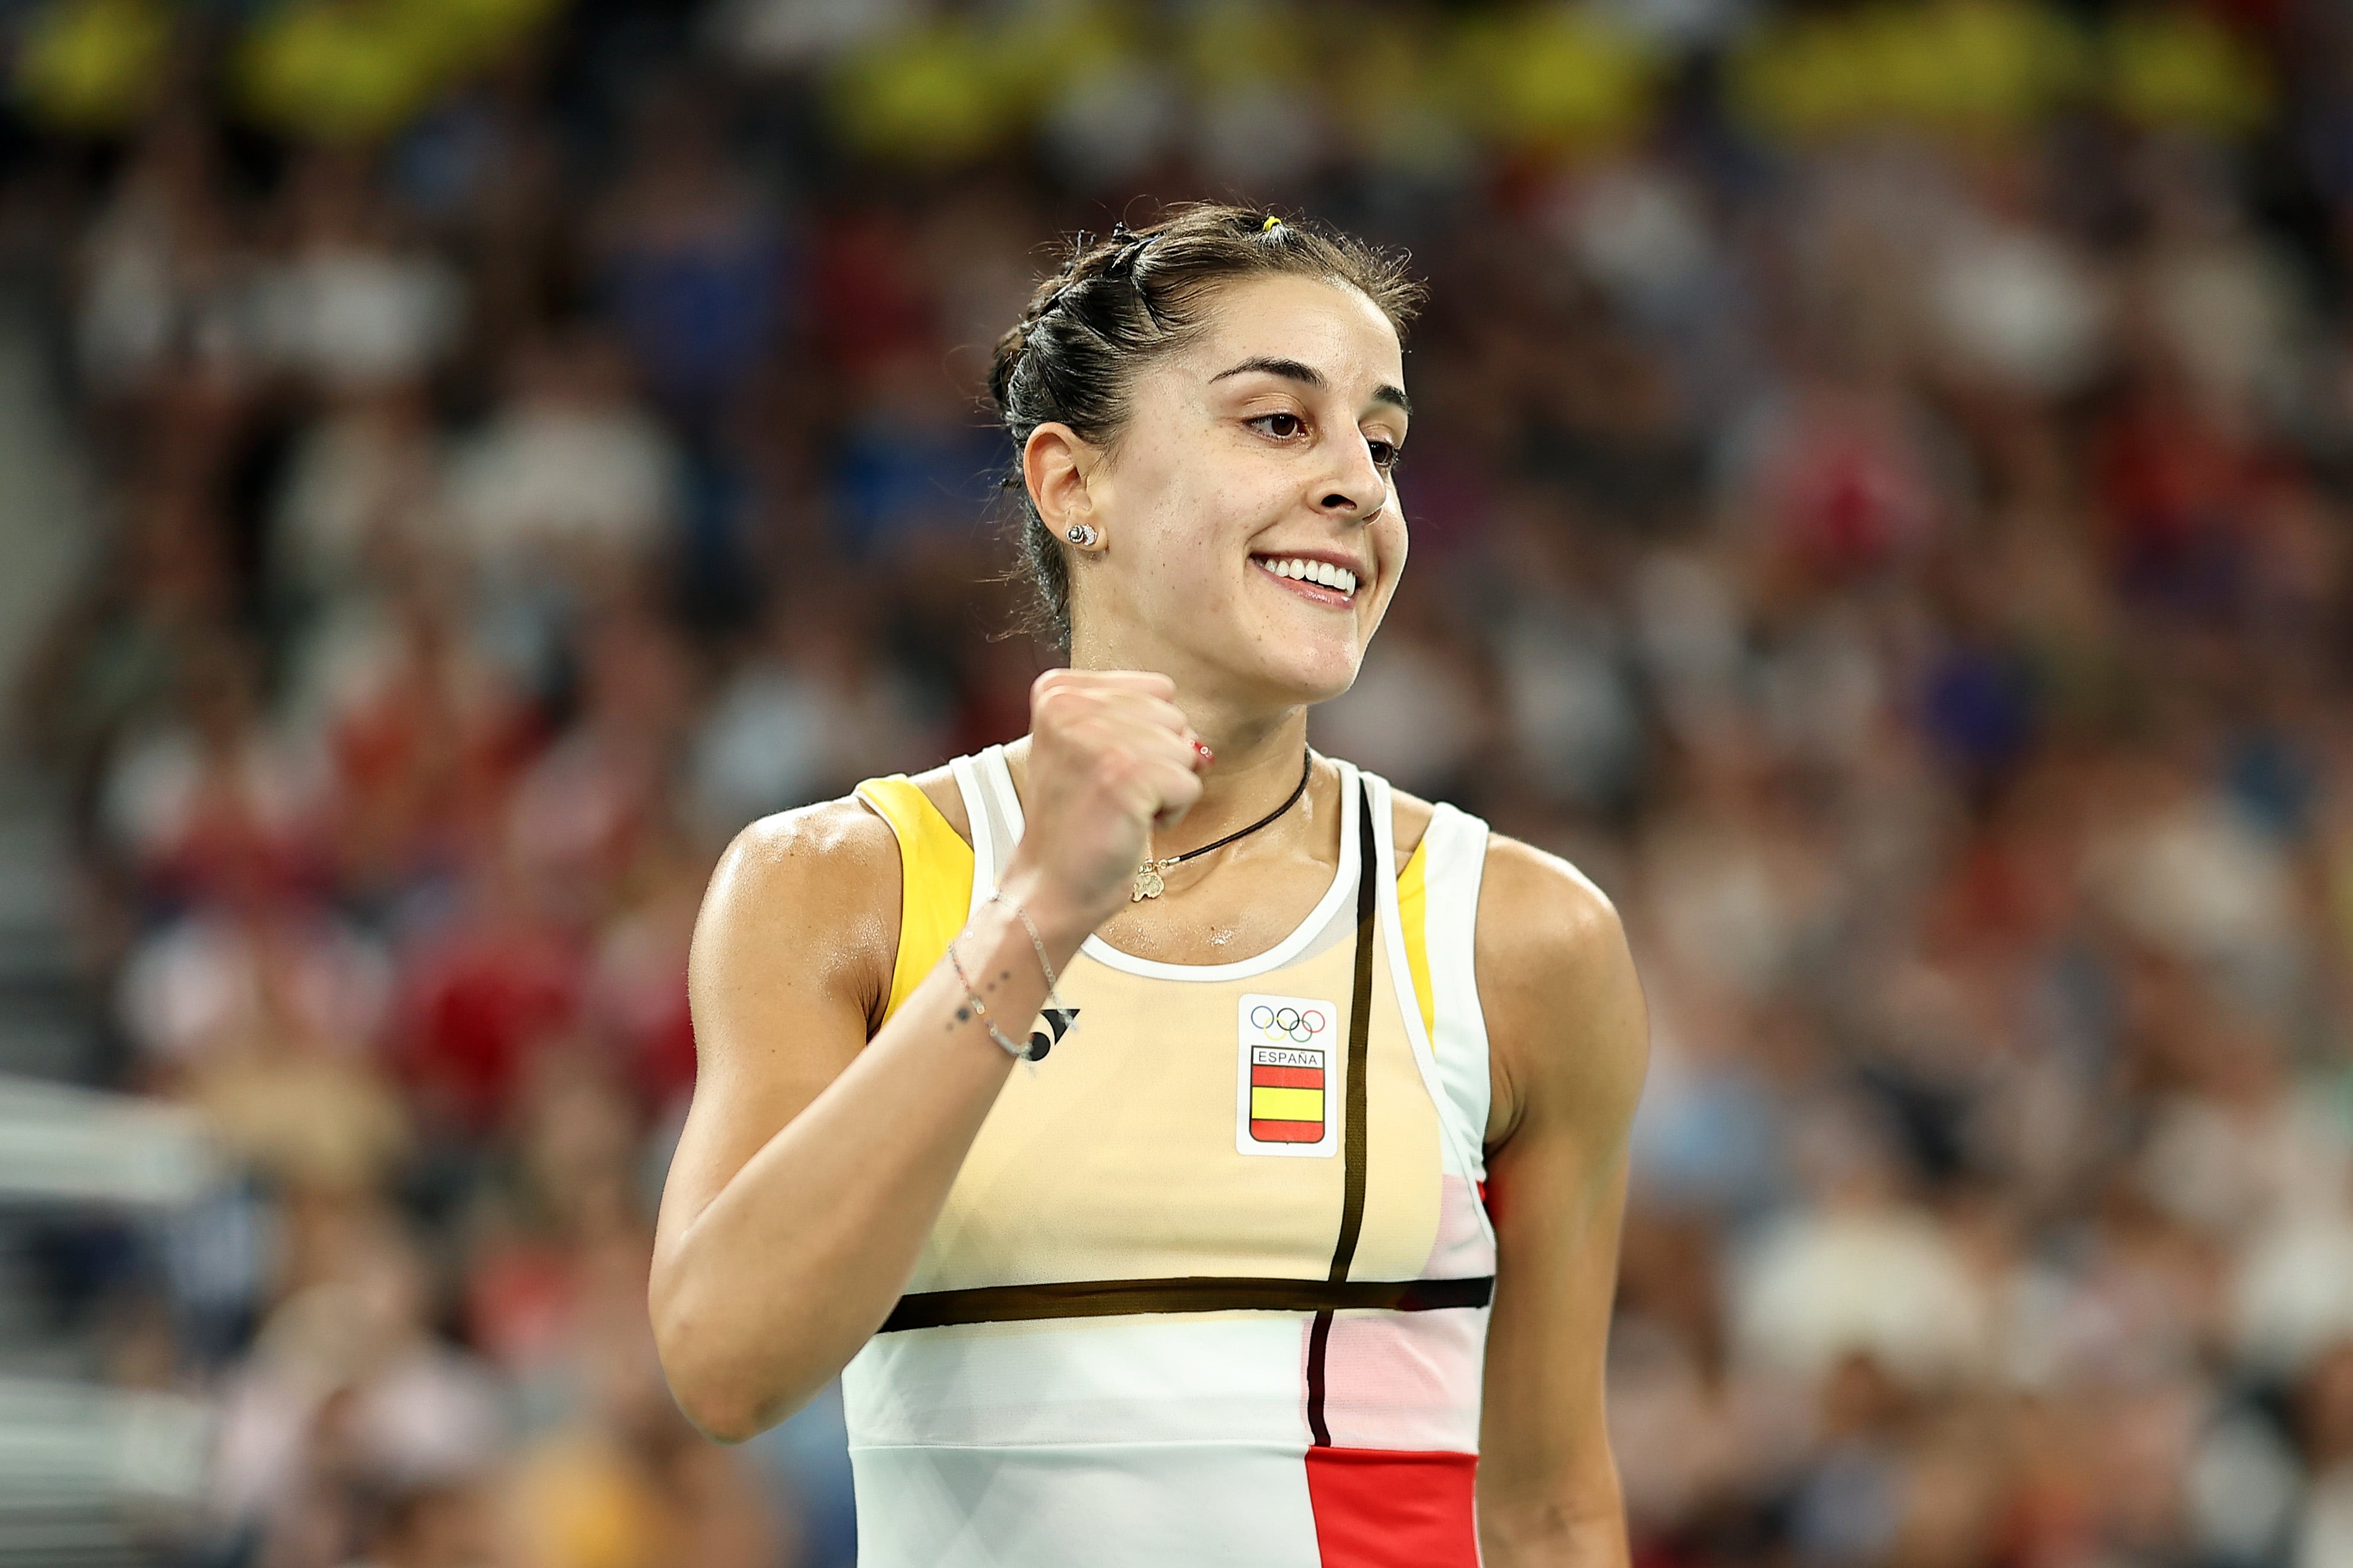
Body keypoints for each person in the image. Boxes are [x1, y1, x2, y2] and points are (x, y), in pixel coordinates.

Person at [650, 204, 1650, 1567]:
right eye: (1281, 424)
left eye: (1384, 440)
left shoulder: (1522, 937)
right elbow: (725, 1364)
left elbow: (1549, 1515)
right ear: (1074, 488)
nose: (1360, 482)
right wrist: (1042, 912)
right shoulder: (838, 887)